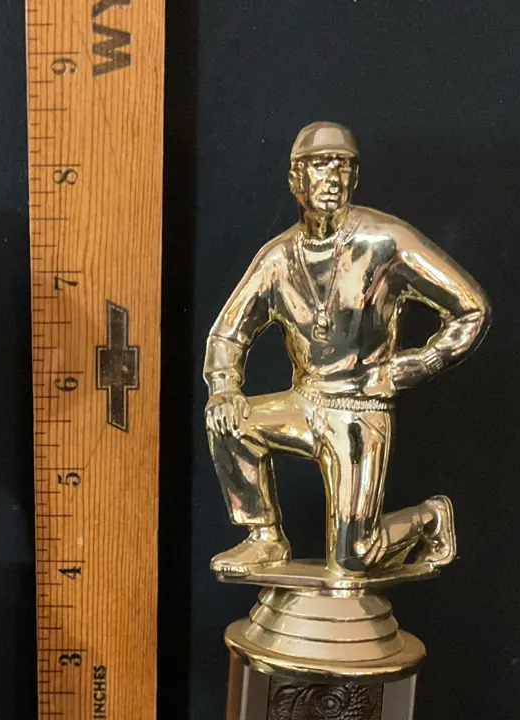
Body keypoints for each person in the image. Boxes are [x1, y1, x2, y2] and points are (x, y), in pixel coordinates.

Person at [204, 122, 490, 575]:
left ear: (355, 178)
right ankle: (263, 537)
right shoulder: (278, 258)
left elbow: (471, 309)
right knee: (227, 420)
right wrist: (223, 386)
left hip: (360, 411)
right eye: (320, 166)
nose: (333, 178)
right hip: (304, 403)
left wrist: (416, 364)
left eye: (343, 167)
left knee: (355, 556)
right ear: (295, 179)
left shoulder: (386, 241)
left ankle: (430, 518)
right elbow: (227, 334)